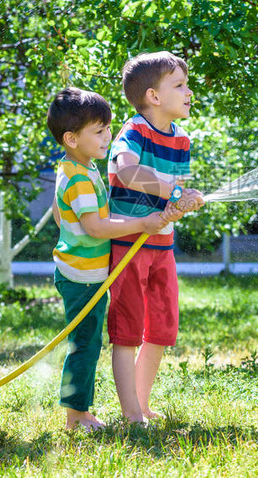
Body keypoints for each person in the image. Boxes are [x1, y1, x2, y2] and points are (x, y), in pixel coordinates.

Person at [46, 86, 181, 431]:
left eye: (107, 128)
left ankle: (81, 412)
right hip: (80, 277)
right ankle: (76, 416)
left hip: (84, 271)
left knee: (87, 342)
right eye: (99, 130)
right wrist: (142, 223)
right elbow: (95, 227)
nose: (108, 135)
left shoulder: (81, 169)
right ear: (71, 139)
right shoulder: (78, 178)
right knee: (85, 345)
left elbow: (60, 216)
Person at [107, 51, 205, 423]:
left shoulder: (180, 139)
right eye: (179, 85)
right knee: (129, 331)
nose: (188, 91)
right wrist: (175, 194)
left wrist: (184, 202)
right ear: (153, 96)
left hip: (162, 245)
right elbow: (126, 172)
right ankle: (131, 414)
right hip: (129, 244)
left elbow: (171, 196)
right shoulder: (135, 131)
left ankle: (142, 405)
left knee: (161, 330)